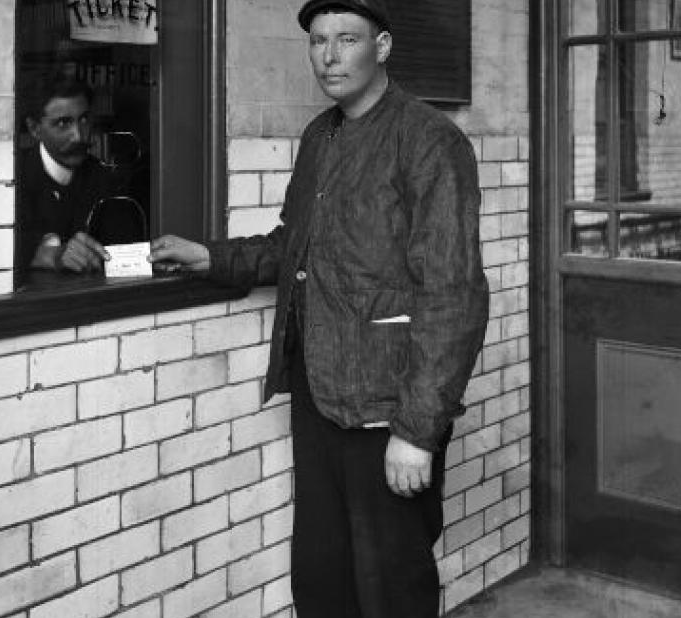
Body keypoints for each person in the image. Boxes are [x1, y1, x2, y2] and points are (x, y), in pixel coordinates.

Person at [148, 0, 489, 615]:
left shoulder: (429, 140)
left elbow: (454, 293)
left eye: (348, 40)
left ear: (381, 47)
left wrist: (417, 430)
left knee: (391, 583)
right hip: (318, 389)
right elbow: (293, 244)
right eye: (318, 41)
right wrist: (211, 257)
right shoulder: (320, 135)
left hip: (387, 401)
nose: (329, 56)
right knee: (323, 575)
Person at [14, 71, 147, 280]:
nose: (79, 135)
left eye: (84, 119)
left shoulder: (107, 180)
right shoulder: (12, 179)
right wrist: (48, 255)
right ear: (34, 128)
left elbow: (125, 255)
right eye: (62, 123)